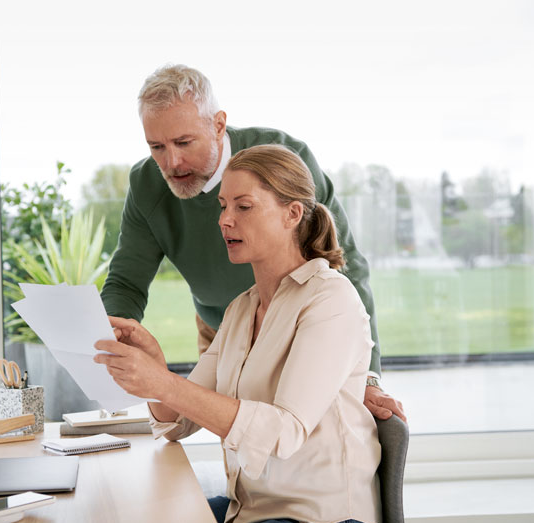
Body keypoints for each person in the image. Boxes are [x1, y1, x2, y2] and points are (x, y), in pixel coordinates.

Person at [94, 144, 382, 523]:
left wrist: (164, 383)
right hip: (250, 510)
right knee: (138, 520)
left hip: (323, 521)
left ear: (292, 214)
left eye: (243, 207)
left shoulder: (330, 298)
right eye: (223, 206)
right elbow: (176, 423)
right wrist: (156, 371)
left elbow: (284, 432)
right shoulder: (241, 310)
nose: (225, 220)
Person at [100, 64, 405, 423]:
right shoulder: (147, 184)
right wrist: (109, 341)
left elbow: (346, 263)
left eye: (183, 142)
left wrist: (367, 376)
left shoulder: (285, 158)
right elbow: (126, 281)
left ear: (218, 125)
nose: (172, 162)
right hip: (222, 326)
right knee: (235, 442)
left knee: (294, 434)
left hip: (302, 321)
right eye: (156, 147)